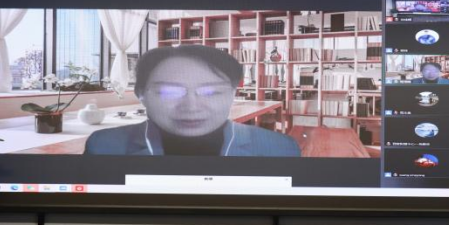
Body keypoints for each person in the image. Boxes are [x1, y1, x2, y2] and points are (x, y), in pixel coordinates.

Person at [84, 45, 301, 156]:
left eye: (211, 92)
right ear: (140, 93)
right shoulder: (104, 146)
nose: (191, 107)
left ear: (233, 94)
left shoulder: (279, 148)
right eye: (169, 92)